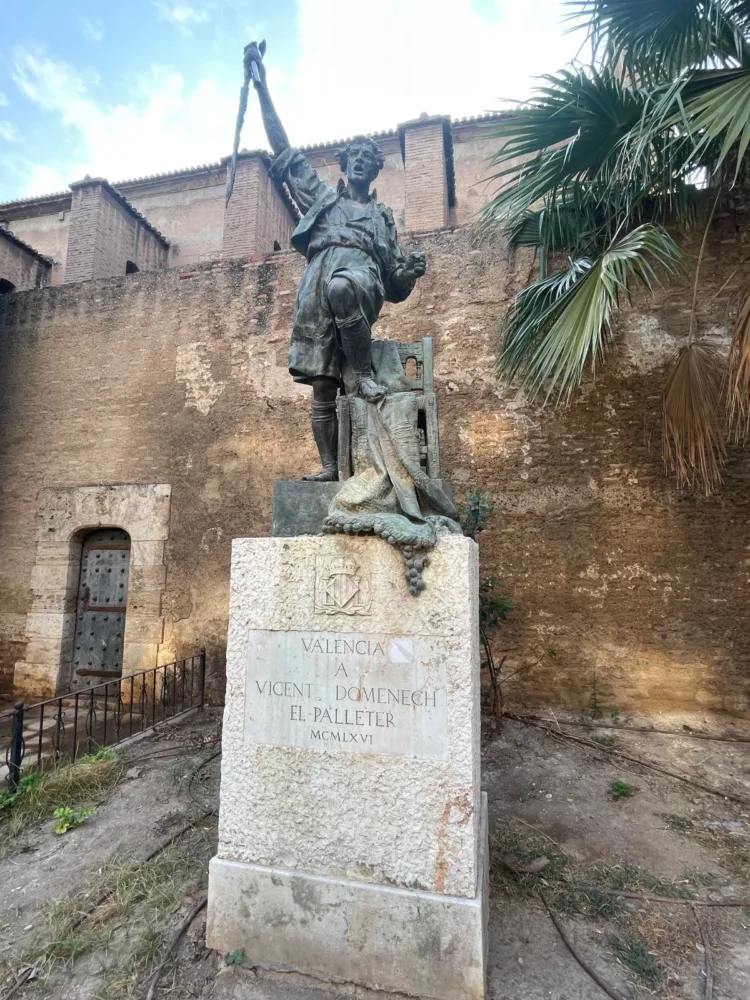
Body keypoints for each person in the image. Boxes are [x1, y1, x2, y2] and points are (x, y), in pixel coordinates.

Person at [244, 42, 427, 481]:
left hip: (359, 276)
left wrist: (409, 272)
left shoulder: (382, 219)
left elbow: (396, 286)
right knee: (322, 386)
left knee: (343, 288)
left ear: (376, 170)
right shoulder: (323, 201)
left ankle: (362, 373)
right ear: (345, 166)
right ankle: (329, 469)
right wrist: (262, 87)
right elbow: (284, 150)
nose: (361, 163)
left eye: (369, 160)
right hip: (316, 281)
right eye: (354, 158)